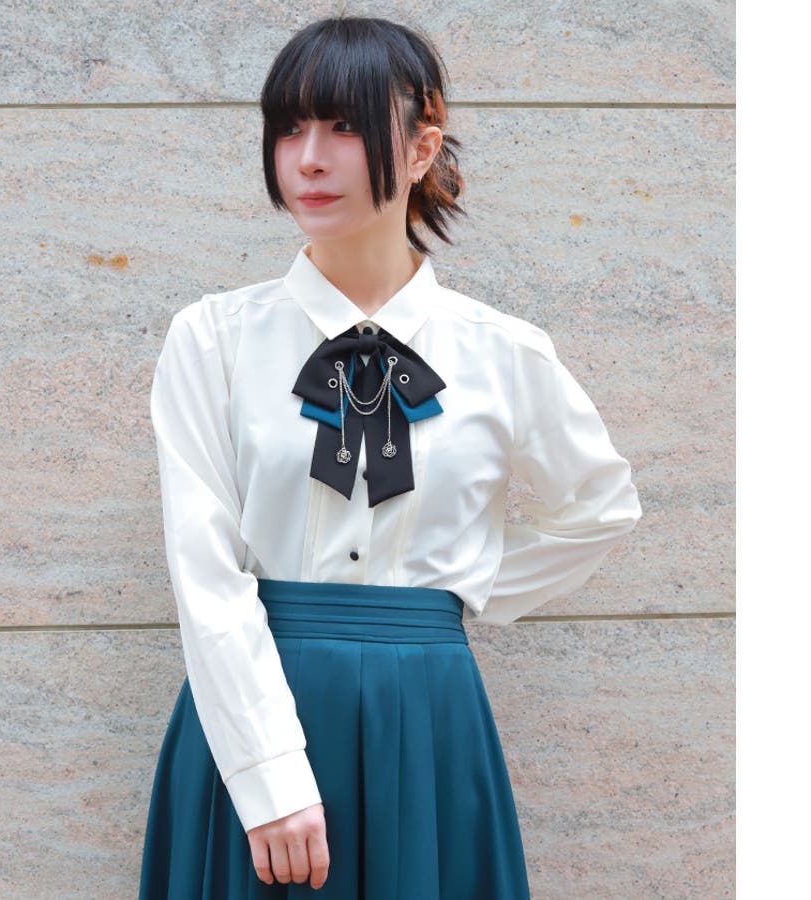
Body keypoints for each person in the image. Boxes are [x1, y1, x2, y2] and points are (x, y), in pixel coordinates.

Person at [138, 14, 642, 900]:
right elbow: (203, 571)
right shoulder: (213, 338)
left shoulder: (502, 352)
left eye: (343, 126)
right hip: (254, 711)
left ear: (420, 147)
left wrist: (452, 594)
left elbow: (601, 507)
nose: (308, 159)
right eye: (289, 128)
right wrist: (267, 778)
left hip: (430, 717)